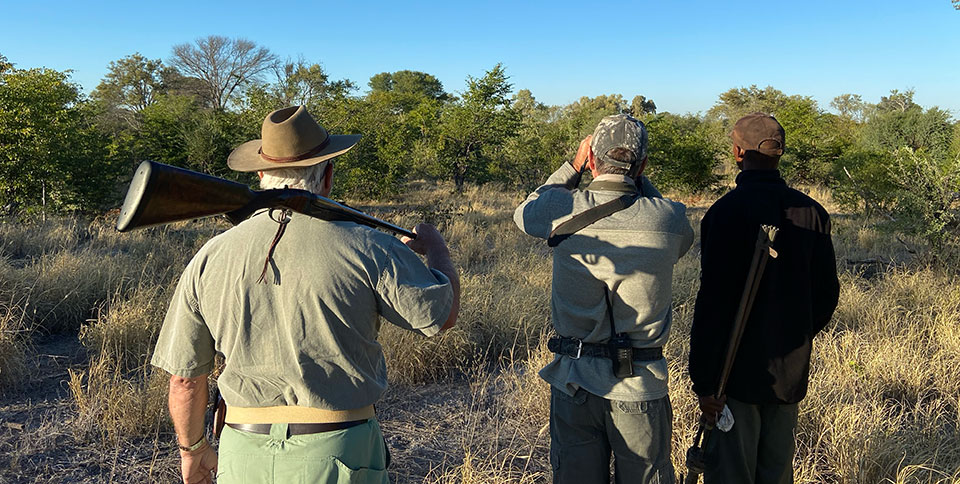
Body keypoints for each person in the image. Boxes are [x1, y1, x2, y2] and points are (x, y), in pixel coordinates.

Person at [150, 105, 460, 484]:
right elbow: (441, 315)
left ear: (260, 173)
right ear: (327, 174)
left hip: (241, 453)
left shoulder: (208, 257)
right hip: (340, 451)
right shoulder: (370, 245)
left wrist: (193, 449)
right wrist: (437, 250)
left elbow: (184, 380)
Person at [514, 114, 694, 484]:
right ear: (643, 166)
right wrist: (638, 181)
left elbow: (524, 212)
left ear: (592, 160)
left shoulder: (560, 208)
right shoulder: (669, 218)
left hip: (574, 378)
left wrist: (572, 167)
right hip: (640, 382)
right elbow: (681, 239)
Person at [689, 113, 839, 484]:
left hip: (732, 378)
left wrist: (704, 383)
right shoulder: (812, 213)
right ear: (779, 154)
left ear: (738, 153)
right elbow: (826, 295)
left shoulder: (723, 214)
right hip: (788, 375)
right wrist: (794, 337)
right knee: (776, 474)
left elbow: (712, 305)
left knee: (731, 475)